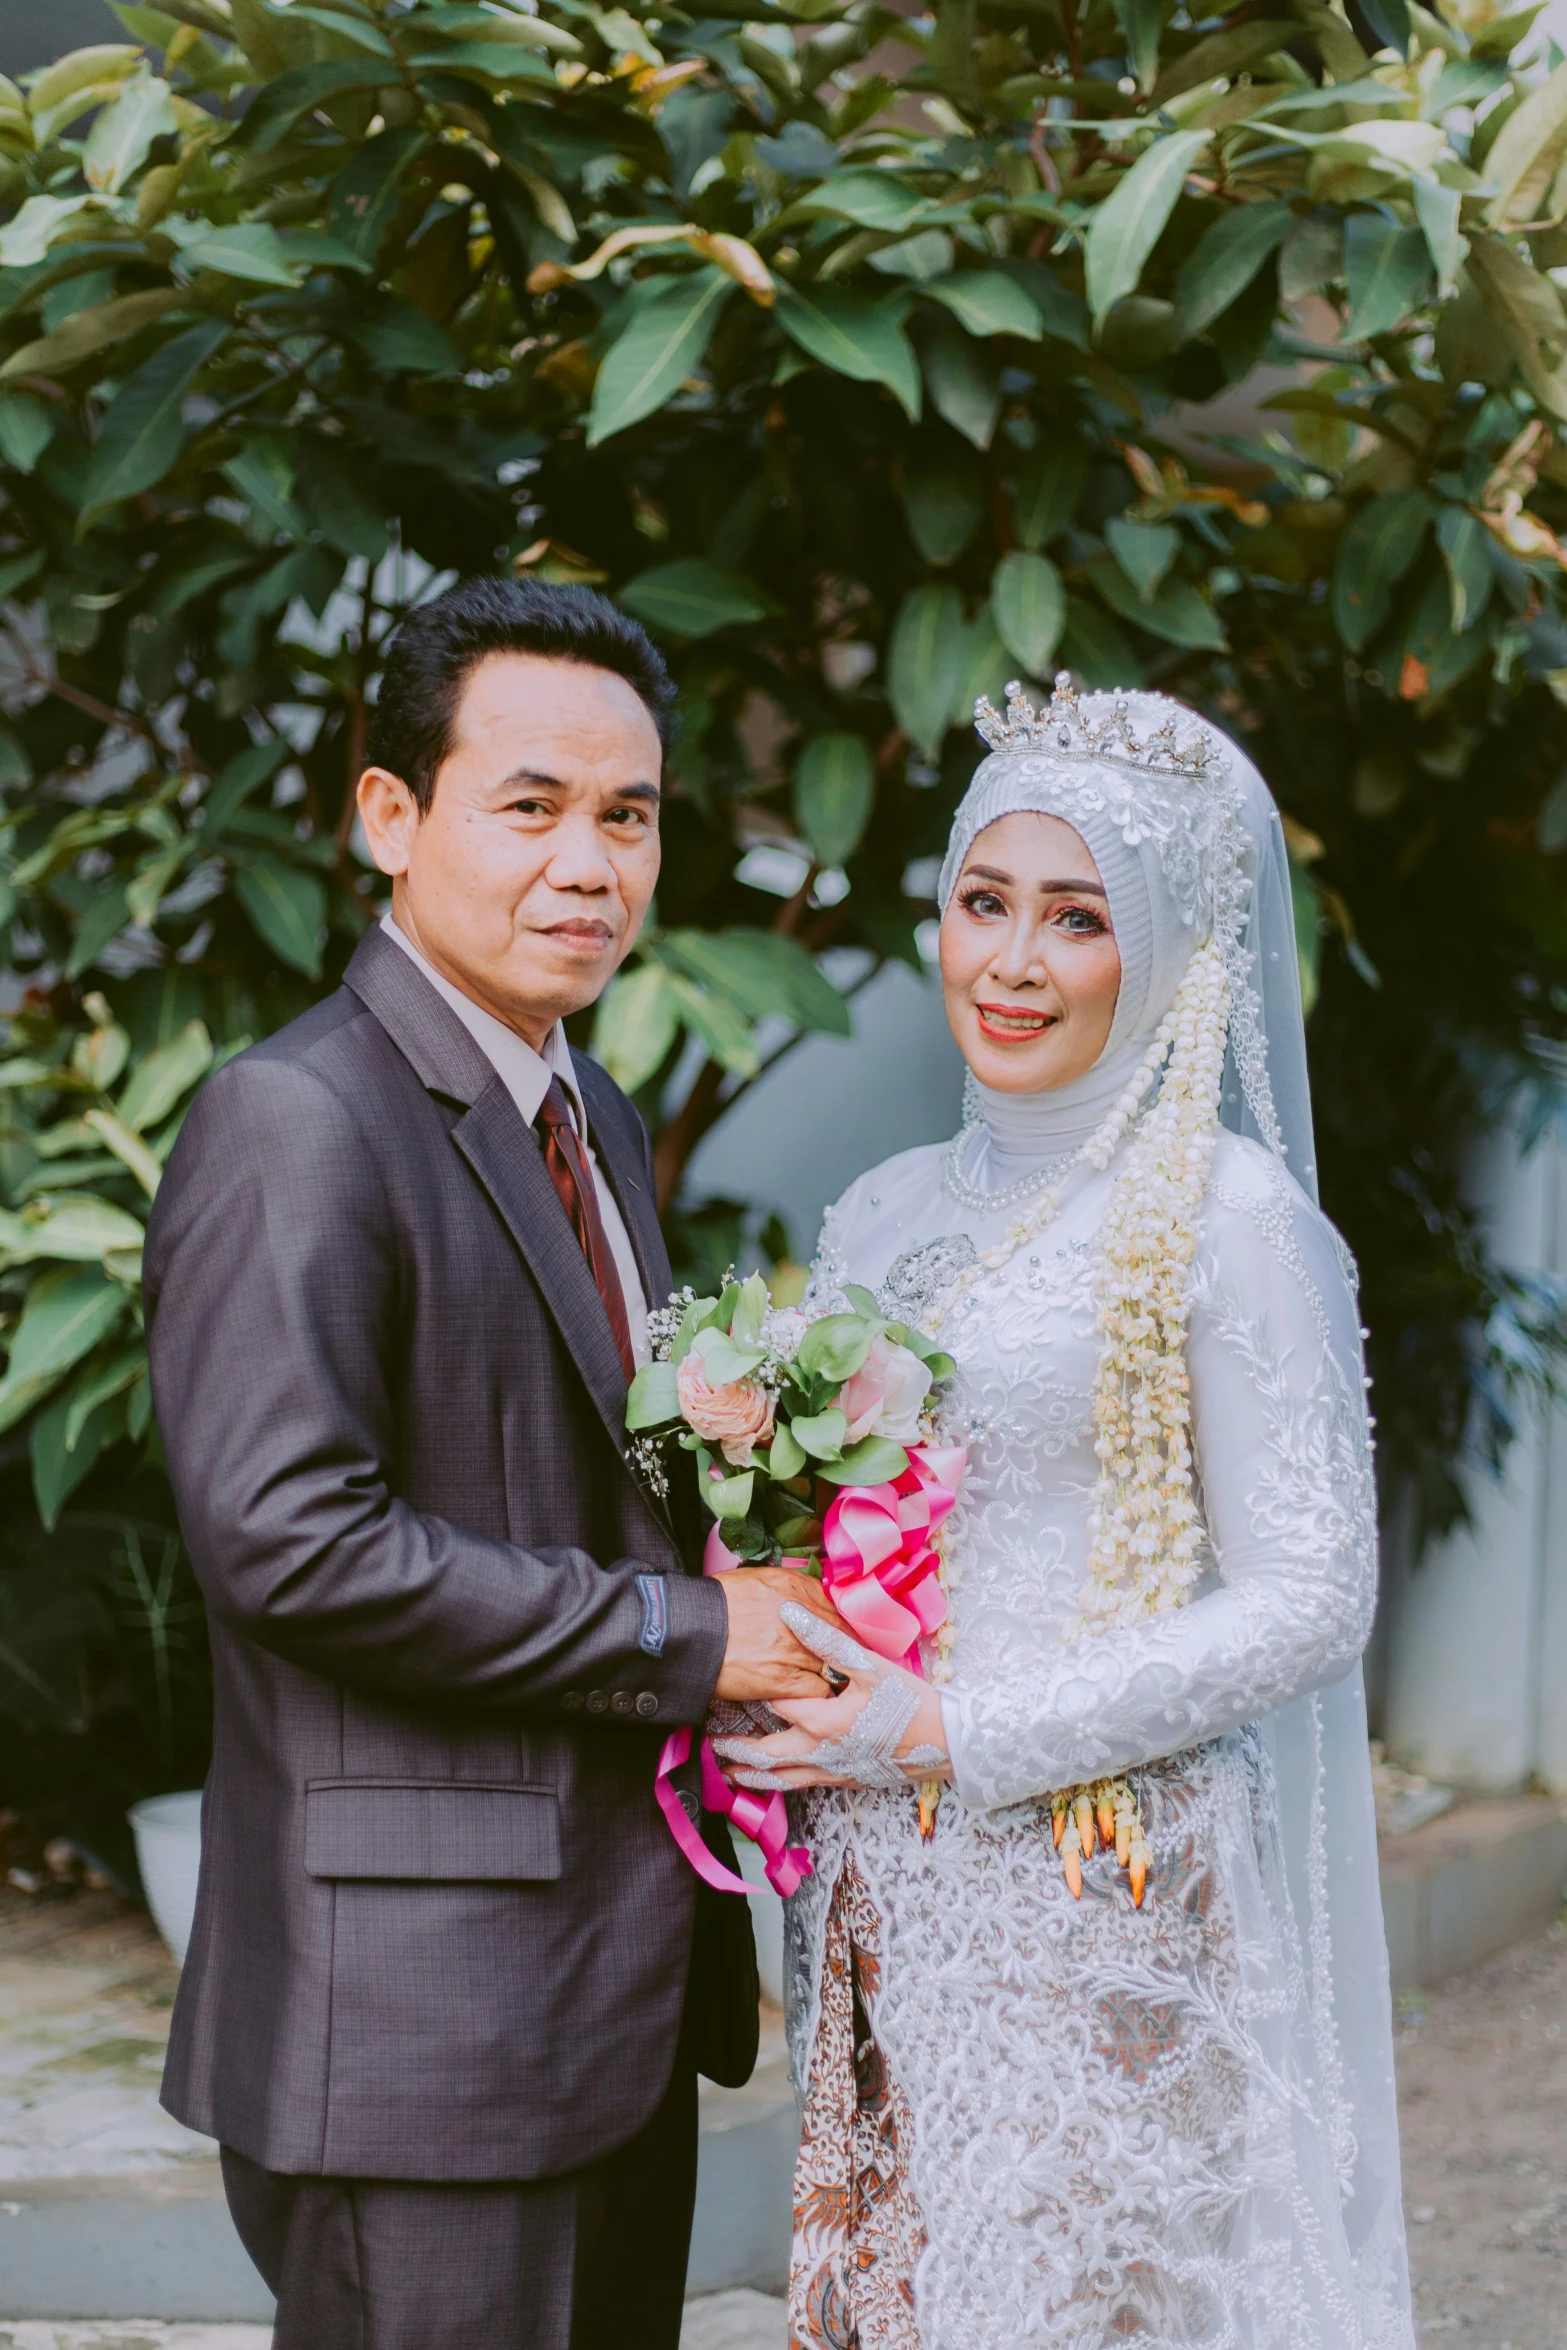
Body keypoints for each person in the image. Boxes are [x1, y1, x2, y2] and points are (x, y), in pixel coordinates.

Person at [143, 575, 837, 2350]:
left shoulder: (578, 1107)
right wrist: (695, 1635)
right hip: (418, 2020)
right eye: (529, 805)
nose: (588, 863)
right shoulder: (297, 1120)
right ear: (392, 813)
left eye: (629, 815)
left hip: (606, 1988)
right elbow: (291, 1543)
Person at [721, 679, 1415, 2348]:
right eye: (982, 902)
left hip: (1100, 1897)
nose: (1010, 961)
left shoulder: (1227, 1220)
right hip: (880, 1892)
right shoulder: (880, 1213)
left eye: (1076, 918)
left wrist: (964, 1724)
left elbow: (1313, 1593)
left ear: (1168, 948)